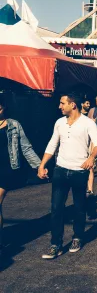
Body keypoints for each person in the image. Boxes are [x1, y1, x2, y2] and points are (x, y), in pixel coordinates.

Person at [38, 93, 97, 259]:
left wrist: (91, 158)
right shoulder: (60, 122)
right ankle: (55, 244)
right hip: (60, 169)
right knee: (56, 208)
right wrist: (42, 164)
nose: (59, 106)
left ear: (72, 104)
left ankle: (77, 237)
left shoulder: (88, 123)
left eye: (62, 103)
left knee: (79, 207)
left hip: (79, 171)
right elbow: (53, 144)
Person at [0, 98, 41, 257]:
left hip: (7, 170)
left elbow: (26, 148)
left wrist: (39, 166)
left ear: (4, 107)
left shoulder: (14, 125)